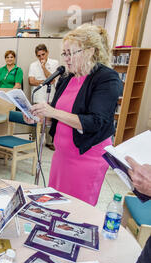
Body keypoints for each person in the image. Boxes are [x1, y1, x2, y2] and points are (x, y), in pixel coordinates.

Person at [25, 24, 123, 206]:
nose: (66, 59)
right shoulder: (67, 78)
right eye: (64, 54)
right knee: (55, 205)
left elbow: (95, 122)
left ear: (89, 51)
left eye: (71, 53)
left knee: (76, 210)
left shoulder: (106, 78)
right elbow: (57, 116)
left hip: (87, 158)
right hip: (61, 156)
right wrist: (40, 117)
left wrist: (52, 111)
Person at [28, 44, 59, 151]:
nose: (41, 57)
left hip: (50, 97)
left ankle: (49, 142)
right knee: (35, 119)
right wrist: (42, 82)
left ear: (47, 52)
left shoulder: (55, 63)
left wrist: (43, 67)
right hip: (37, 96)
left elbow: (52, 80)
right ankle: (32, 141)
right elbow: (31, 81)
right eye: (39, 56)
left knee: (49, 121)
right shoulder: (33, 65)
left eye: (43, 54)